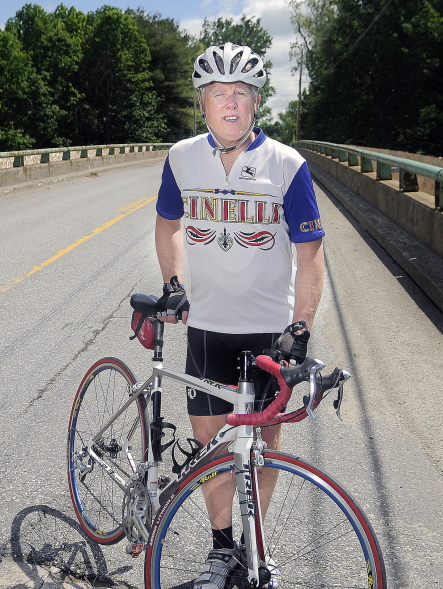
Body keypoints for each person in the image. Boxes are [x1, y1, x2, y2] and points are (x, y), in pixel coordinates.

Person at [154, 42, 326, 589]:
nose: (229, 104)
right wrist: (173, 283)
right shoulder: (182, 157)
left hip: (266, 333)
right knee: (210, 448)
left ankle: (257, 549)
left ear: (256, 103)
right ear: (202, 102)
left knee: (262, 450)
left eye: (240, 94)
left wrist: (300, 326)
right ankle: (222, 549)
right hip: (206, 329)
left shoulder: (287, 166)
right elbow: (168, 222)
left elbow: (309, 251)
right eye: (218, 94)